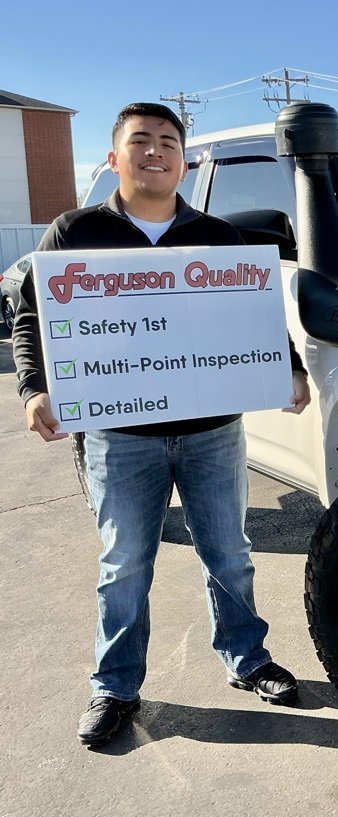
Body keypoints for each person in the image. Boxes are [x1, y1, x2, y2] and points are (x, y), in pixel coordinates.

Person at [12, 102, 312, 746]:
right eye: (140, 141)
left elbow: (256, 319)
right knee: (124, 564)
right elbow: (30, 319)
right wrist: (34, 387)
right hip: (121, 440)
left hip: (212, 432)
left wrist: (286, 369)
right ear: (113, 158)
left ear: (184, 158)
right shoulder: (72, 234)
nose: (156, 151)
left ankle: (247, 658)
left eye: (169, 141)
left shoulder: (219, 237)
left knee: (229, 554)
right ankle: (115, 685)